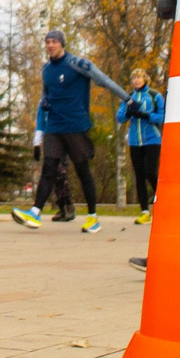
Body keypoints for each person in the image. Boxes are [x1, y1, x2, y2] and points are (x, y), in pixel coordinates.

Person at [15, 32, 129, 232]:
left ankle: (93, 218)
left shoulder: (78, 64)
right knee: (48, 168)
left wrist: (129, 99)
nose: (50, 45)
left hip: (76, 125)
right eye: (47, 42)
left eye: (54, 42)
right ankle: (35, 213)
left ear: (62, 44)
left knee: (82, 170)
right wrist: (38, 135)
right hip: (54, 127)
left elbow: (104, 80)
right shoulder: (46, 70)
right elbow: (43, 99)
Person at [120, 67, 165, 224]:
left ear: (145, 79)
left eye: (139, 77)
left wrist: (146, 115)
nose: (136, 80)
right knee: (139, 175)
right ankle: (144, 211)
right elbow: (120, 117)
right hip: (134, 141)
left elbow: (161, 117)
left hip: (152, 139)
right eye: (134, 78)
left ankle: (162, 201)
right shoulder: (129, 97)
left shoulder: (154, 95)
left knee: (151, 172)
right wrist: (128, 113)